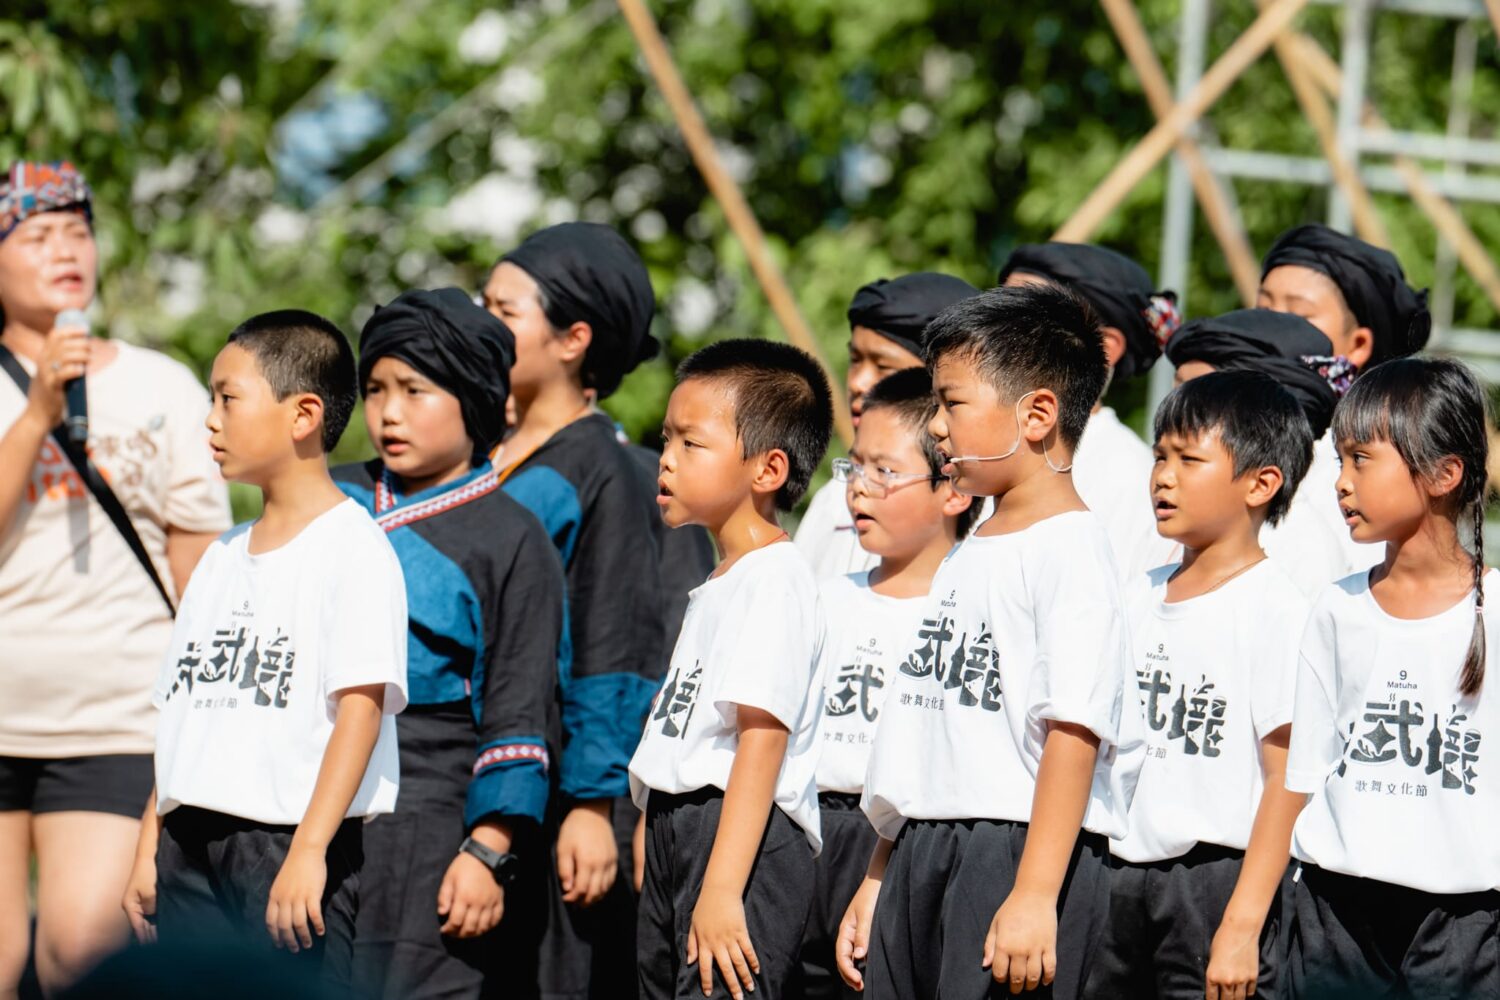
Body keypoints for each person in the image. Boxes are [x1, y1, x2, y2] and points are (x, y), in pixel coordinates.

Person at [839, 284, 1145, 1000]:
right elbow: (920, 733)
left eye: (952, 403)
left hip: (1011, 851)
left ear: (1036, 415)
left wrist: (1035, 893)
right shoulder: (970, 548)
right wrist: (880, 873)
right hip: (924, 845)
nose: (937, 427)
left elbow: (1074, 731)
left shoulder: (1070, 551)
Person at [120, 311, 408, 989]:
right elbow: (183, 712)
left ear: (303, 414)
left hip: (284, 843)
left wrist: (309, 850)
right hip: (186, 842)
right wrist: (147, 844)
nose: (210, 421)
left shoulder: (354, 547)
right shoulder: (220, 557)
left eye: (228, 398)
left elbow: (361, 712)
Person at [0, 161, 230, 994]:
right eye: (37, 235)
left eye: (78, 231)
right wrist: (37, 413)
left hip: (118, 718)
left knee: (84, 954)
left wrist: (207, 712)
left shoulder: (161, 383)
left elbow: (201, 571)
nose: (65, 250)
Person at [332, 288, 566, 998]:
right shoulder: (328, 501)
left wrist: (487, 848)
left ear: (473, 397)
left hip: (431, 810)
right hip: (305, 798)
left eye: (414, 390)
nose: (388, 412)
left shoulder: (512, 535)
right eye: (375, 389)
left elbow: (520, 702)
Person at [1086, 371, 1314, 1000]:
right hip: (1110, 874)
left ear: (1261, 484)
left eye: (1189, 460)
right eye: (1160, 456)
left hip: (1211, 885)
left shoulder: (1279, 611)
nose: (1163, 476)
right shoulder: (1134, 594)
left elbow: (1287, 779)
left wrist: (1241, 925)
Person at [481, 222, 666, 997]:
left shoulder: (602, 466)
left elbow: (613, 640)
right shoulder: (474, 451)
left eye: (504, 310)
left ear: (573, 339)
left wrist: (593, 803)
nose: (481, 323)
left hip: (558, 795)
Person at [1283, 357, 1499, 997]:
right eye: (1339, 461)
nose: (1340, 483)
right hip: (1334, 917)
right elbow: (1304, 775)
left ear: (1444, 474)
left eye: (1361, 460)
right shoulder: (1337, 608)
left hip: (1465, 926)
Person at [629, 338, 834, 1000]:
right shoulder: (726, 577)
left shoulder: (775, 579)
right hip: (684, 829)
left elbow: (761, 739)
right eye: (667, 439)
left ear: (767, 469)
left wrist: (721, 888)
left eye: (691, 443)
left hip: (738, 838)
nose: (666, 459)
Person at [794, 368, 976, 999]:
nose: (858, 489)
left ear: (954, 488)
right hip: (803, 827)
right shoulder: (820, 600)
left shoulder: (965, 614)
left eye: (885, 472)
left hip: (894, 843)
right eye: (855, 467)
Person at [997, 243, 1180, 580]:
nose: (995, 337)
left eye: (1023, 320)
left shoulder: (1129, 478)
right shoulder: (974, 442)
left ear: (1104, 349)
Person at [1257, 223, 1430, 578]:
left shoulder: (1380, 470)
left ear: (1358, 345)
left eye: (1298, 316)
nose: (1268, 330)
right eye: (1262, 309)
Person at [794, 273, 979, 580]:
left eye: (883, 366)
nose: (858, 382)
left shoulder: (987, 520)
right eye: (855, 360)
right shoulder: (833, 499)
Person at [1165, 309, 1349, 600]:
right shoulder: (1171, 518)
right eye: (1175, 394)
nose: (1173, 416)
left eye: (1197, 405)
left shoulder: (1303, 550)